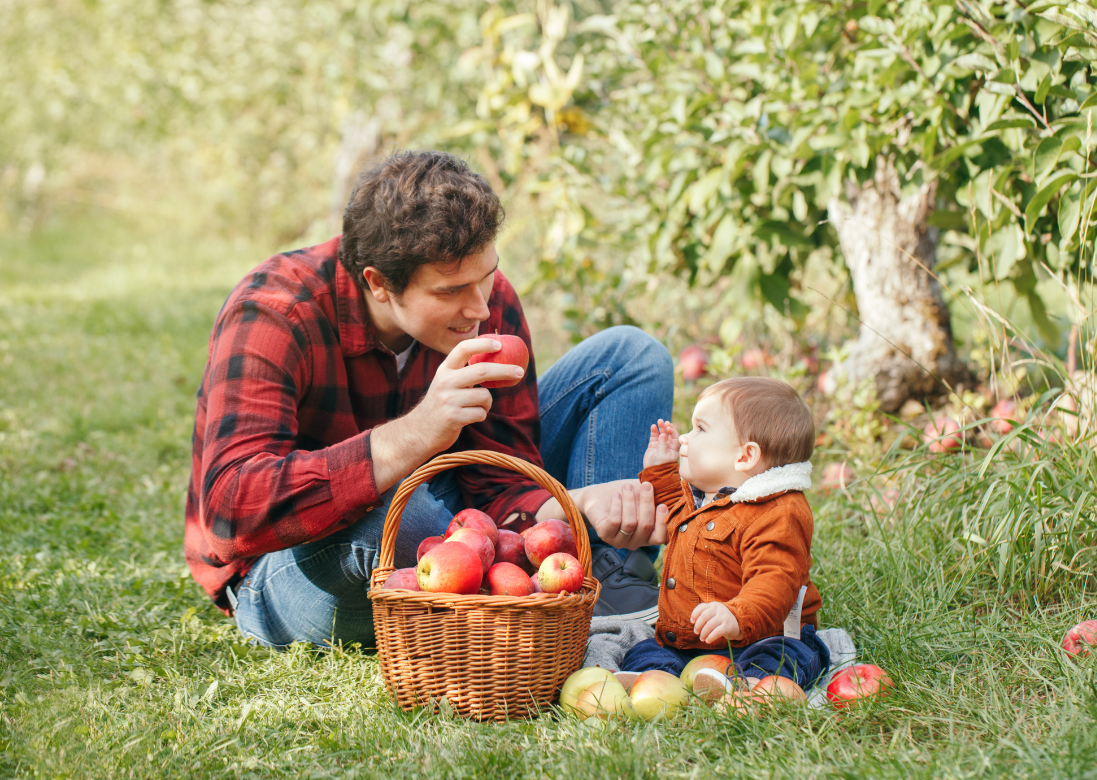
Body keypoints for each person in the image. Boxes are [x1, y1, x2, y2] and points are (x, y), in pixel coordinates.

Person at [184, 150, 673, 649]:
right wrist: (415, 435)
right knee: (404, 511)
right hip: (298, 566)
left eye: (488, 276)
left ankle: (596, 575)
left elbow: (499, 478)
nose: (481, 307)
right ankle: (516, 595)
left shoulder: (481, 297)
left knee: (632, 356)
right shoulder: (275, 312)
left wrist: (576, 505)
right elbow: (229, 513)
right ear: (377, 283)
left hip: (455, 521)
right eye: (451, 291)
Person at [619, 377, 829, 688]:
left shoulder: (778, 511)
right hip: (692, 638)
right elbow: (671, 516)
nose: (684, 440)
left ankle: (748, 689)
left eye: (700, 429)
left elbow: (776, 578)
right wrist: (660, 470)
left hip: (762, 633)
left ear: (745, 456)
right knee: (647, 652)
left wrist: (737, 615)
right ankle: (651, 681)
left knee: (784, 659)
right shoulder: (703, 495)